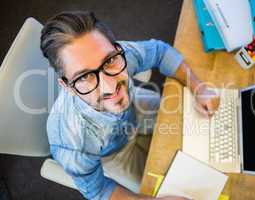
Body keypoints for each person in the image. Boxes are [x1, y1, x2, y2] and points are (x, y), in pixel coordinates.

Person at [40, 11, 220, 200]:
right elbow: (99, 191)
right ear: (66, 86)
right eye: (84, 76)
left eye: (109, 61)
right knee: (170, 188)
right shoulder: (72, 144)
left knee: (207, 133)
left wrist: (198, 87)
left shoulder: (118, 54)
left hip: (136, 108)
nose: (111, 88)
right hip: (114, 155)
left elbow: (160, 52)